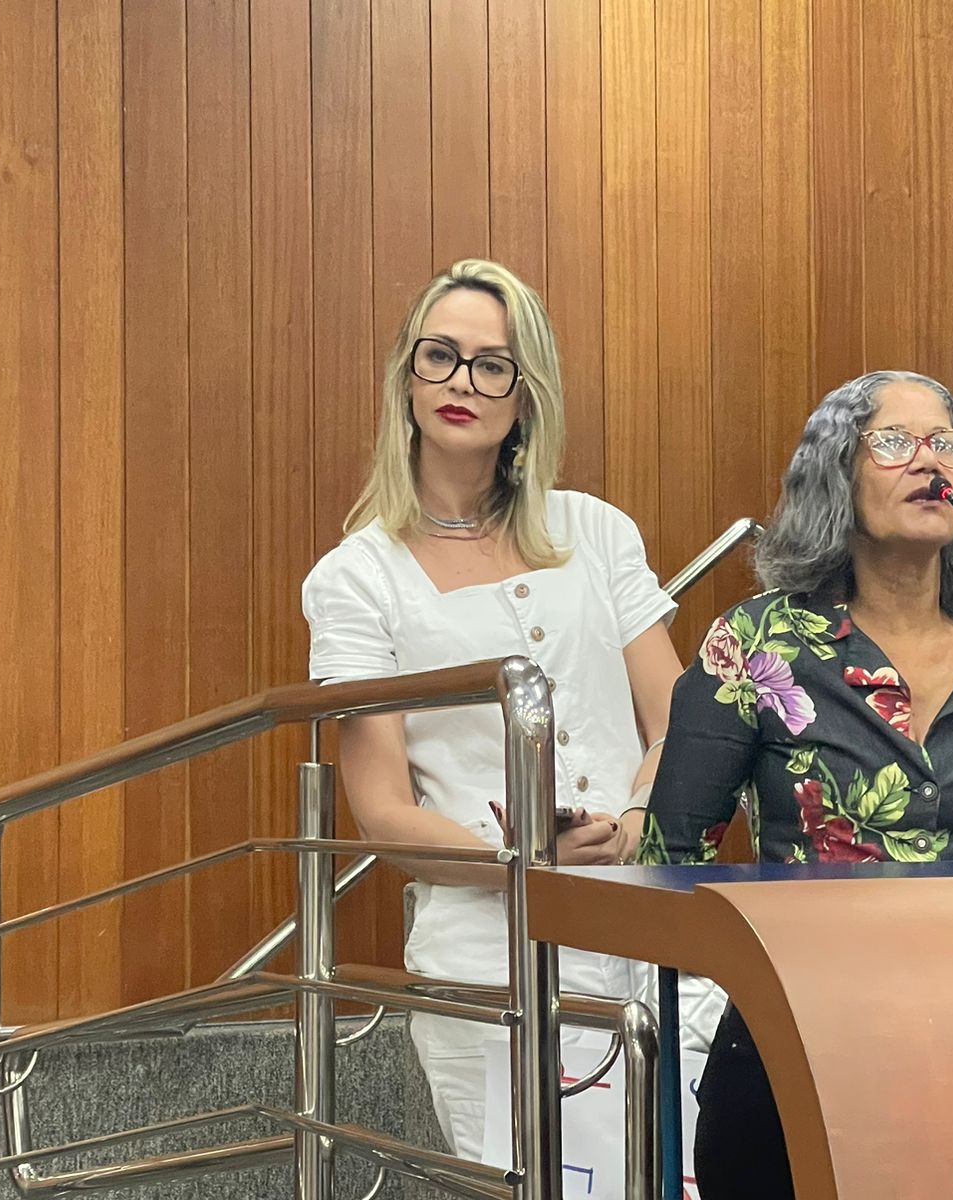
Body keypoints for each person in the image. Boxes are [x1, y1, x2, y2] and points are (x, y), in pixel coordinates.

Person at [301, 259, 687, 1182]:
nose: (462, 382)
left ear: (525, 396)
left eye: (492, 365)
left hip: (650, 926)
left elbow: (680, 724)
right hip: (488, 956)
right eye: (439, 355)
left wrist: (637, 819)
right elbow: (383, 810)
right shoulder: (356, 577)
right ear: (406, 377)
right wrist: (524, 859)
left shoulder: (596, 531)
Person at [635, 370, 953, 1199]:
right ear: (836, 473)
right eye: (894, 442)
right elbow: (671, 859)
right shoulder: (756, 643)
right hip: (797, 1049)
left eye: (946, 444)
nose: (929, 462)